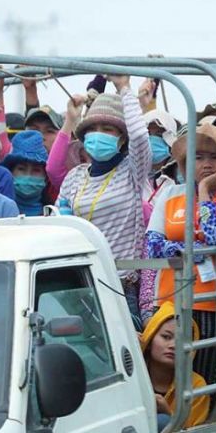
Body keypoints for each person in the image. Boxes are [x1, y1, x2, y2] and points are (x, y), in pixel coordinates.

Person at [143, 122, 216, 413]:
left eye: (214, 158)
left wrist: (206, 192)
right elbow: (153, 243)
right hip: (169, 305)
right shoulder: (169, 195)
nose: (206, 164)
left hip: (214, 307)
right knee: (167, 379)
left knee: (205, 381)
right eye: (198, 157)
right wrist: (190, 250)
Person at [56, 75, 152, 329]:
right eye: (93, 129)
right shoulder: (75, 176)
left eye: (108, 129)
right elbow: (57, 221)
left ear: (122, 138)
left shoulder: (132, 170)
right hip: (79, 286)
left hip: (119, 285)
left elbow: (141, 137)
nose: (99, 135)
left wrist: (124, 88)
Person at [141, 302, 210, 429]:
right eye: (166, 337)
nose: (173, 345)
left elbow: (194, 430)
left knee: (162, 421)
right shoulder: (132, 376)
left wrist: (169, 414)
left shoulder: (196, 386)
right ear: (150, 339)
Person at [1, 130, 52, 216]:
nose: (28, 176)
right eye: (21, 169)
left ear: (46, 177)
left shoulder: (54, 212)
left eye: (36, 170)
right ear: (11, 172)